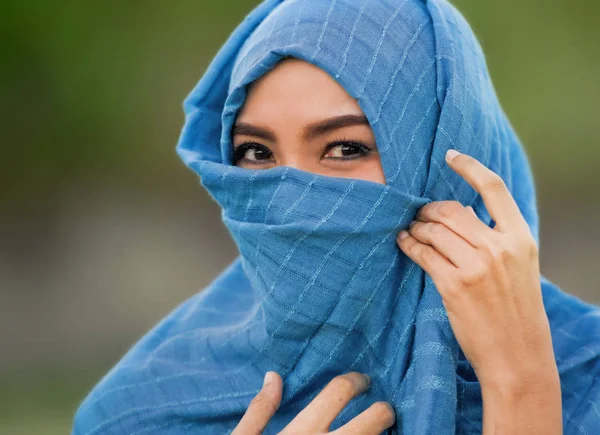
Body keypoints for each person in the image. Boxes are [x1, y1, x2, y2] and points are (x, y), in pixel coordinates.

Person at [72, 0, 600, 434]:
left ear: (450, 164)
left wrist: (523, 388)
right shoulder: (144, 410)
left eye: (345, 148)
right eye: (256, 153)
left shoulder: (585, 378)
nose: (291, 195)